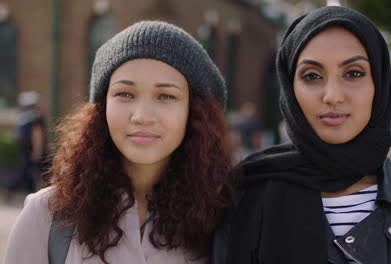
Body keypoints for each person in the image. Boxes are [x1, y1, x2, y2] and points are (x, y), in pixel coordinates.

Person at [212, 6, 391, 264]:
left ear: (379, 84)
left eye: (353, 73)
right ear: (290, 89)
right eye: (311, 76)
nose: (332, 95)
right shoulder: (246, 201)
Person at [5, 21, 234, 264]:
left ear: (195, 111)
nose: (142, 116)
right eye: (125, 94)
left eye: (166, 96)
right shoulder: (47, 217)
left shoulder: (229, 220)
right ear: (102, 108)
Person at [4, 91, 45, 199]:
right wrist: (37, 151)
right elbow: (37, 135)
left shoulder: (22, 117)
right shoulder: (35, 118)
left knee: (25, 169)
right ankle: (9, 188)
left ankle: (15, 188)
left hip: (24, 148)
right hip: (33, 149)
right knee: (42, 169)